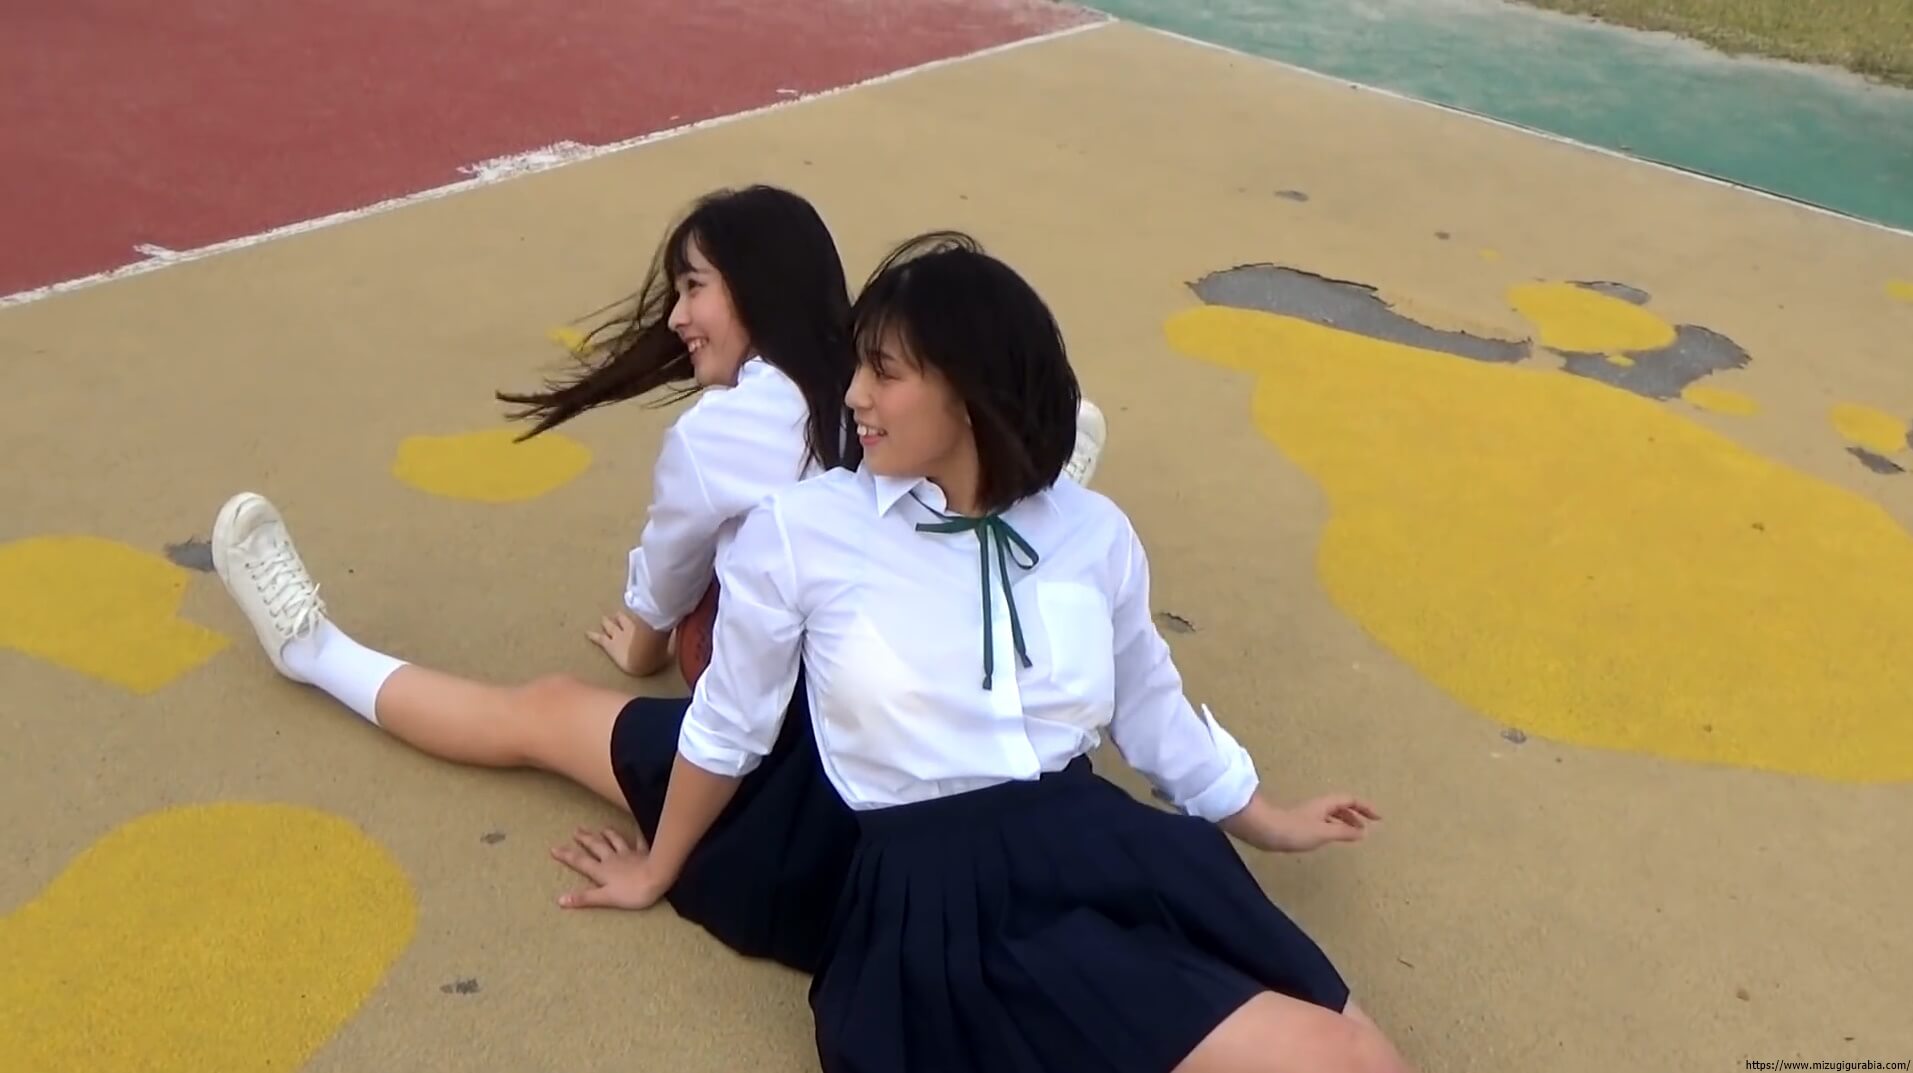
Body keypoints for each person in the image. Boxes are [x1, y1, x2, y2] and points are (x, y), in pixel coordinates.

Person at [557, 232, 1414, 1073]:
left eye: (884, 373)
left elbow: (1150, 706)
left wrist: (1266, 818)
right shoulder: (805, 529)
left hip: (1104, 845)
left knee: (1362, 1048)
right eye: (857, 366)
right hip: (945, 898)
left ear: (967, 392)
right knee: (1330, 1056)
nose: (852, 395)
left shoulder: (1089, 530)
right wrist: (657, 870)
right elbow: (727, 728)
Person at [207, 185, 1110, 974]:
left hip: (808, 764)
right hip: (935, 727)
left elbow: (681, 602)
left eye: (692, 285)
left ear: (755, 287)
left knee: (547, 709)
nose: (677, 315)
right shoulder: (886, 389)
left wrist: (645, 648)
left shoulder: (726, 432)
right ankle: (1020, 486)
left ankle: (312, 650)